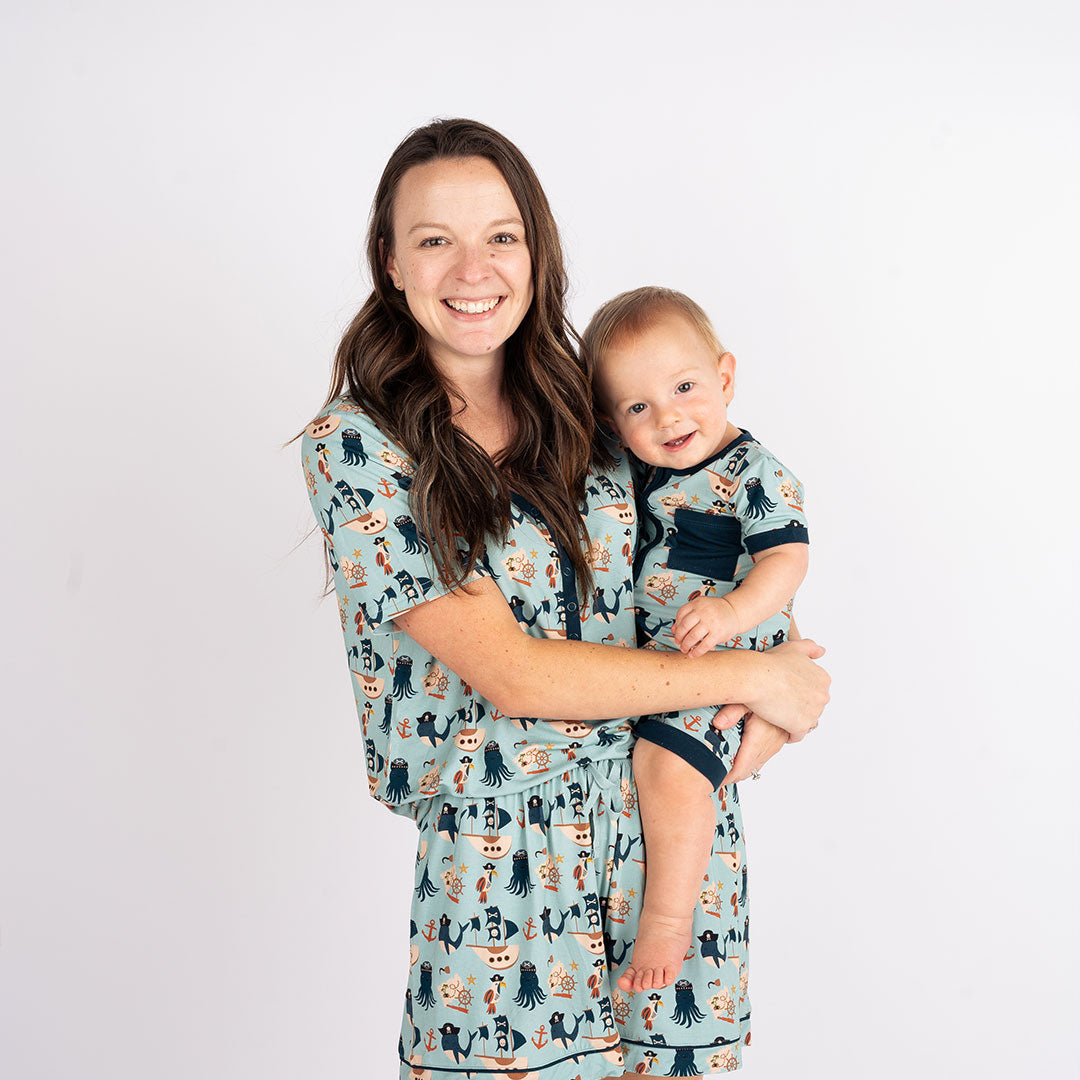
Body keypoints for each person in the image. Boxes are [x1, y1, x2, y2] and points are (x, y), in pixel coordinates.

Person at [299, 118, 829, 1080]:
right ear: (391, 262)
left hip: (664, 846)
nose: (474, 268)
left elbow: (705, 559)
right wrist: (761, 677)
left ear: (536, 251)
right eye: (435, 239)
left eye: (501, 236)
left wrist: (777, 692)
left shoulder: (598, 408)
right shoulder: (359, 446)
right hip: (501, 870)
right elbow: (511, 672)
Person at [583, 287, 811, 997]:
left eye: (684, 387)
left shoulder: (753, 473)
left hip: (721, 661)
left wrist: (735, 614)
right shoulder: (643, 473)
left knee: (668, 771)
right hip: (672, 664)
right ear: (614, 424)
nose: (669, 415)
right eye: (639, 407)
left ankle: (669, 920)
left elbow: (787, 560)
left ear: (725, 377)